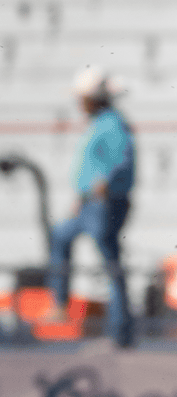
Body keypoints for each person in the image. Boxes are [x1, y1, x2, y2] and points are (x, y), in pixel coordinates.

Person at [47, 68, 136, 348]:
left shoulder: (112, 125)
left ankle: (121, 327)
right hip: (89, 204)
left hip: (103, 204)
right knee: (62, 237)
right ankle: (60, 302)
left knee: (110, 260)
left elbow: (122, 161)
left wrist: (103, 185)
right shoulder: (99, 123)